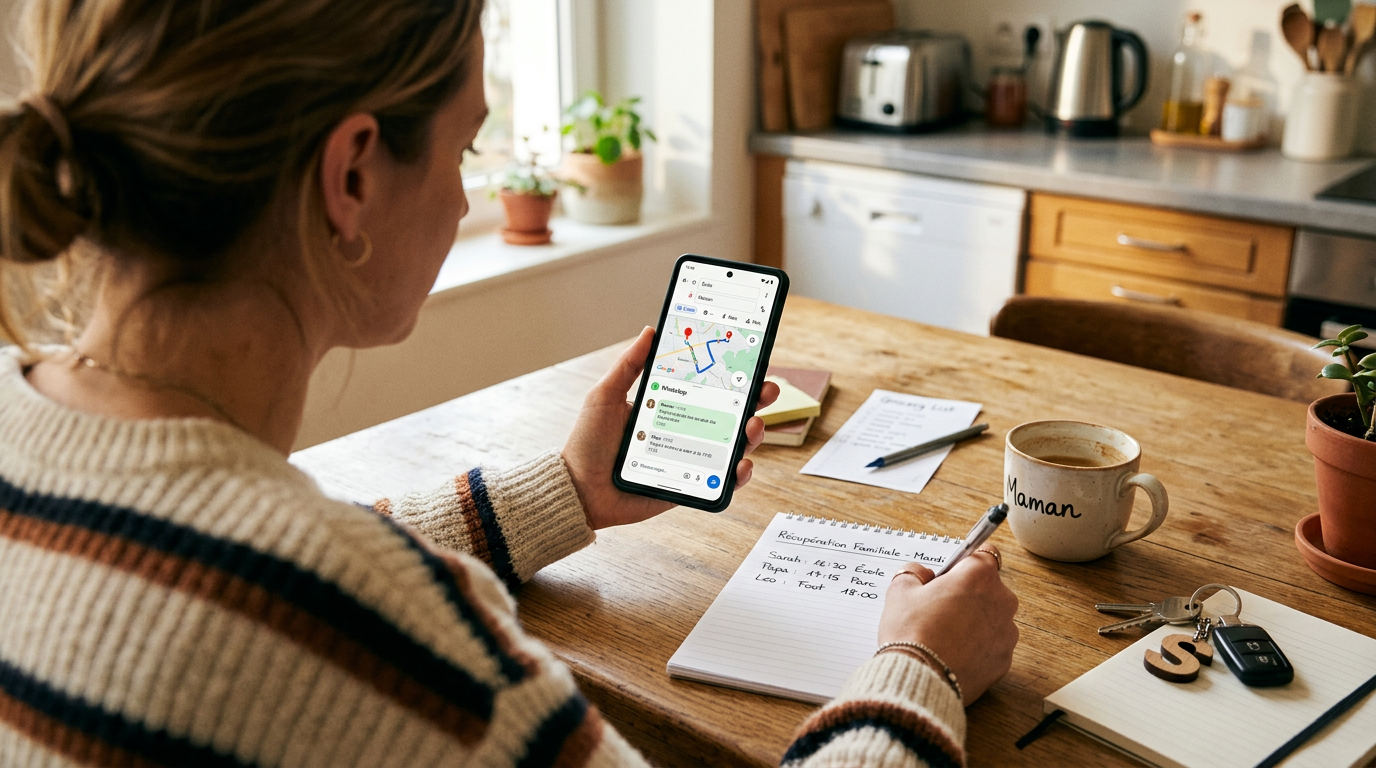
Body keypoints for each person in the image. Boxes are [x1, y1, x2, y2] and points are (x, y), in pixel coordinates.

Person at [0, 0, 1019, 765]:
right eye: (465, 147)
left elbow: (246, 560)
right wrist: (917, 670)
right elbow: (310, 592)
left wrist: (563, 492)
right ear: (351, 175)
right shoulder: (388, 635)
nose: (462, 198)